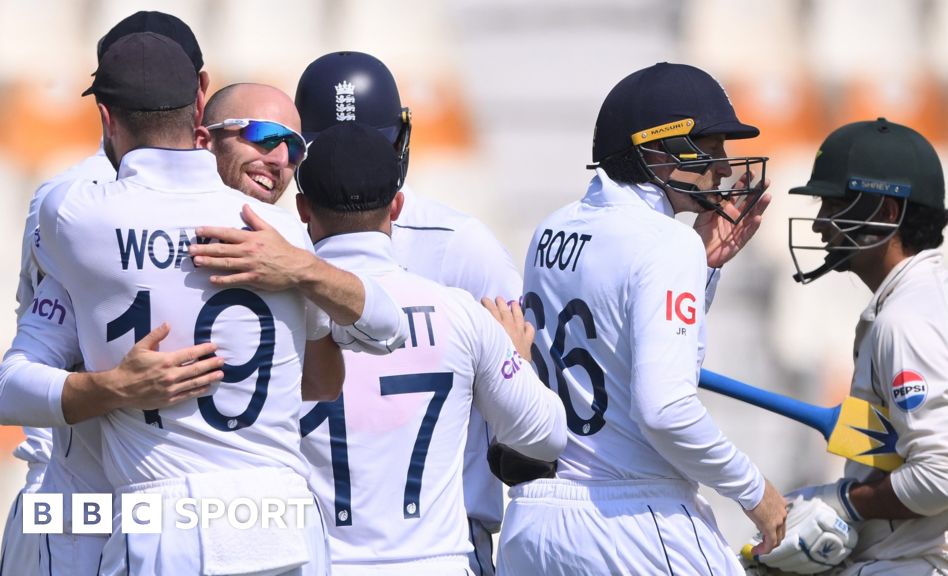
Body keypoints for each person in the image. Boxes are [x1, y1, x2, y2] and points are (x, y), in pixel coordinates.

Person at [30, 32, 344, 575]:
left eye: (293, 145)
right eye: (265, 136)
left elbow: (15, 384)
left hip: (163, 517)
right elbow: (363, 341)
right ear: (200, 105)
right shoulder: (291, 234)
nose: (279, 158)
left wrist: (113, 388)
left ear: (107, 117)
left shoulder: (73, 209)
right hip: (267, 517)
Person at [211, 119, 562, 574]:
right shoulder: (461, 313)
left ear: (302, 209)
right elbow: (546, 436)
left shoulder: (273, 320)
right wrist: (516, 357)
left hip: (314, 563)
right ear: (396, 206)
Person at [496, 62, 786, 575]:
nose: (723, 167)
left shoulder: (553, 228)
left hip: (536, 521)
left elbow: (631, 348)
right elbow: (665, 409)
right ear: (655, 150)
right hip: (634, 522)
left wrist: (704, 270)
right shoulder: (666, 243)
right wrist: (754, 491)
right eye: (708, 148)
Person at [756, 118, 948, 575]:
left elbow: (944, 475)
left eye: (836, 205)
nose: (821, 223)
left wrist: (847, 503)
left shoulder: (907, 320)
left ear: (884, 213)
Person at [291, 51, 523, 573]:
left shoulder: (461, 244)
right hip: (393, 546)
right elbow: (529, 410)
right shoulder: (460, 241)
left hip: (423, 534)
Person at [0, 12, 212, 575]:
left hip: (162, 509)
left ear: (105, 106)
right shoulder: (72, 204)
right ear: (199, 90)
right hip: (80, 499)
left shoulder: (72, 198)